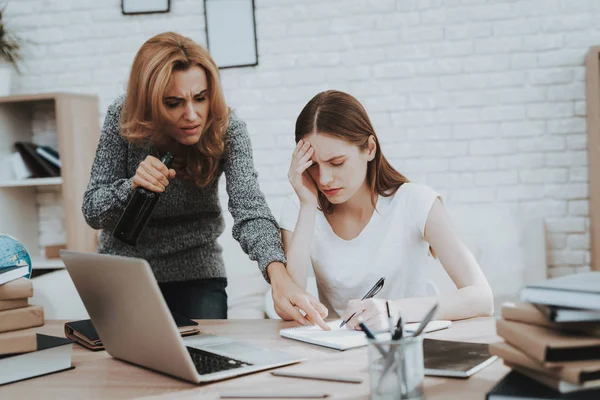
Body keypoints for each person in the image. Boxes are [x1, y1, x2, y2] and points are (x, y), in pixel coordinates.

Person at [82, 32, 328, 326]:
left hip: (197, 271)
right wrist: (132, 187)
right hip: (125, 271)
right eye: (173, 103)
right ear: (148, 102)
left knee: (205, 360)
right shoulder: (122, 118)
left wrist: (278, 275)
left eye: (200, 98)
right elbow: (93, 210)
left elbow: (249, 208)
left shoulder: (228, 128)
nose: (192, 114)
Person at [280, 90, 494, 331]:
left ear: (370, 148)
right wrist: (308, 206)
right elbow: (292, 308)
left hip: (408, 343)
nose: (324, 179)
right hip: (338, 349)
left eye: (336, 163)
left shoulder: (415, 201)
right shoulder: (300, 206)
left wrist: (392, 311)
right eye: (313, 165)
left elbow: (482, 297)